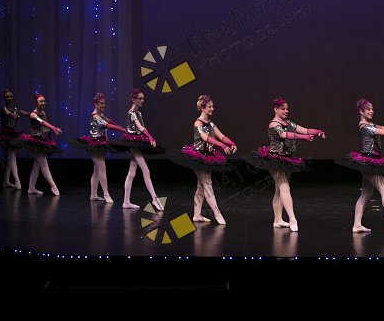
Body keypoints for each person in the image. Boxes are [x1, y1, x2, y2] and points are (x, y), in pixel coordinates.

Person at [247, 97, 325, 232]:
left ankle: (277, 220)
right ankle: (292, 218)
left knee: (279, 190)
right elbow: (284, 135)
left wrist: (318, 132)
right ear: (275, 109)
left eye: (287, 109)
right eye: (282, 109)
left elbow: (306, 130)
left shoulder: (289, 123)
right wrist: (303, 137)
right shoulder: (273, 124)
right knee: (284, 187)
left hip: (287, 159)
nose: (286, 111)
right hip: (275, 159)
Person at [336, 99, 384, 236]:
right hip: (369, 162)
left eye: (372, 109)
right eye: (368, 109)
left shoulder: (370, 124)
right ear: (361, 111)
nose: (371, 111)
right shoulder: (365, 127)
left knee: (365, 194)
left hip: (371, 161)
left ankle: (357, 224)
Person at [176, 94, 237, 225]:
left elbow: (221, 135)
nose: (212, 109)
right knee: (207, 184)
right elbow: (204, 137)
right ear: (203, 108)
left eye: (212, 106)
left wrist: (231, 143)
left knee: (201, 186)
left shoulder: (211, 123)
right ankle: (217, 214)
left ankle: (197, 215)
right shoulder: (198, 122)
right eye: (210, 107)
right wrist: (222, 146)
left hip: (208, 155)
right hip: (198, 156)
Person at [110, 88, 165, 210]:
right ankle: (154, 199)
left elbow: (142, 127)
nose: (142, 100)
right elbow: (139, 127)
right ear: (133, 99)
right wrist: (150, 137)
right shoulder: (131, 113)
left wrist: (148, 136)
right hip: (133, 143)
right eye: (140, 98)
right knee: (146, 170)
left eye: (143, 98)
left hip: (137, 142)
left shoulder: (139, 113)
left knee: (131, 173)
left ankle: (126, 202)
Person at [68, 93, 127, 203]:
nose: (104, 105)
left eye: (104, 103)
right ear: (95, 104)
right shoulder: (95, 116)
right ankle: (106, 194)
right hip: (95, 145)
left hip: (101, 143)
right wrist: (122, 130)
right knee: (102, 169)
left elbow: (109, 121)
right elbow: (107, 125)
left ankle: (93, 195)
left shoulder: (101, 115)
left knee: (96, 171)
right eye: (101, 103)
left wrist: (118, 126)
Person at [0, 89, 28, 189]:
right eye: (7, 97)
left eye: (11, 96)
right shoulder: (4, 108)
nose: (9, 98)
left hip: (13, 134)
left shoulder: (15, 108)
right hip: (5, 135)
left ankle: (6, 181)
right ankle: (17, 180)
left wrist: (32, 114)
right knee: (12, 156)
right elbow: (8, 113)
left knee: (10, 158)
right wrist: (14, 115)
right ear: (4, 98)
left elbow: (24, 113)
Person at [20, 93, 63, 195]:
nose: (43, 103)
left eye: (44, 101)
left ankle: (31, 188)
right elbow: (42, 122)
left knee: (36, 166)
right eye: (41, 101)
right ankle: (53, 185)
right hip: (35, 142)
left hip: (42, 141)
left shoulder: (43, 112)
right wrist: (53, 128)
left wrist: (49, 135)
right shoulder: (33, 114)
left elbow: (44, 126)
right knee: (44, 164)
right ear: (36, 103)